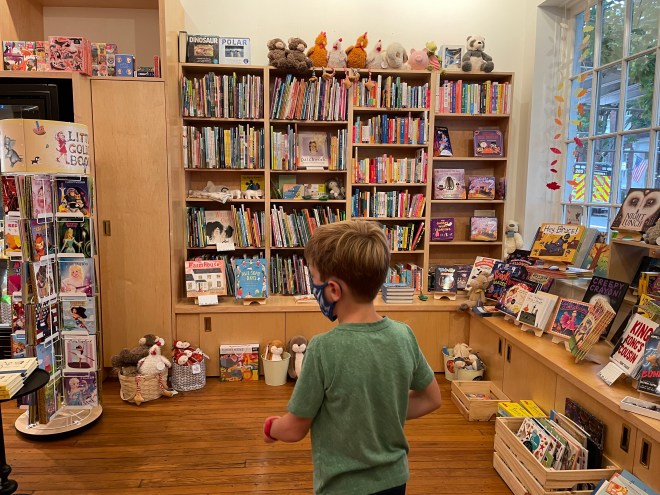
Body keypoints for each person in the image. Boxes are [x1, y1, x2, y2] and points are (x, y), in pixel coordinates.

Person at [262, 220, 441, 495]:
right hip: (395, 480)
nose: (313, 287)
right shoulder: (404, 335)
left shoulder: (323, 349)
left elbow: (295, 429)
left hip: (342, 486)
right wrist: (380, 411)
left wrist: (271, 428)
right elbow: (432, 399)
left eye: (314, 279)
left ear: (334, 290)